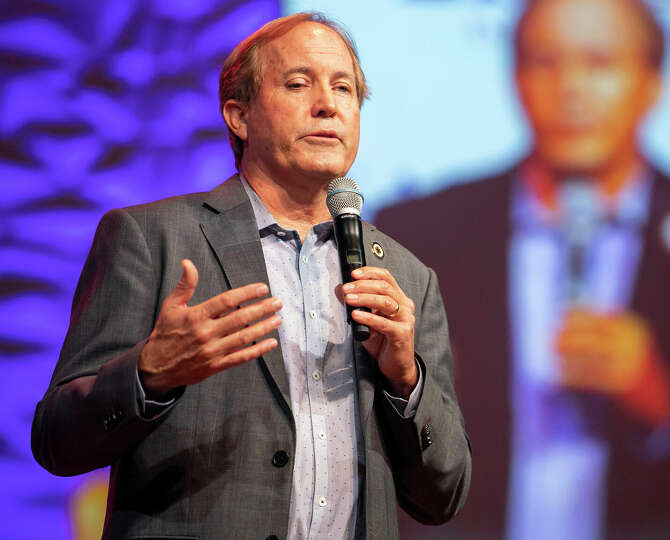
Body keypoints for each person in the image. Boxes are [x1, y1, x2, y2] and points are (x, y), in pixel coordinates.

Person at [375, 0, 670, 538]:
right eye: (545, 61)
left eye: (599, 62)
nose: (570, 87)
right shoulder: (425, 233)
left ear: (653, 83)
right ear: (515, 77)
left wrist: (666, 410)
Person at [31, 12, 470, 540]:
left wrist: (407, 382)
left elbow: (444, 496)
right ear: (239, 116)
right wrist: (150, 374)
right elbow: (56, 440)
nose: (328, 104)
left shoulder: (404, 276)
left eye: (344, 88)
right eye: (298, 83)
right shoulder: (153, 239)